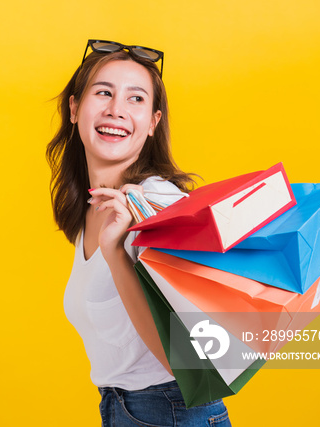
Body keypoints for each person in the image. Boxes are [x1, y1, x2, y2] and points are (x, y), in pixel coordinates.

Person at [46, 40, 231, 426]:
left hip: (172, 412)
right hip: (125, 409)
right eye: (103, 93)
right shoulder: (94, 208)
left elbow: (192, 363)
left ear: (152, 123)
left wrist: (117, 257)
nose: (116, 110)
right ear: (75, 108)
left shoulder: (158, 204)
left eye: (136, 99)